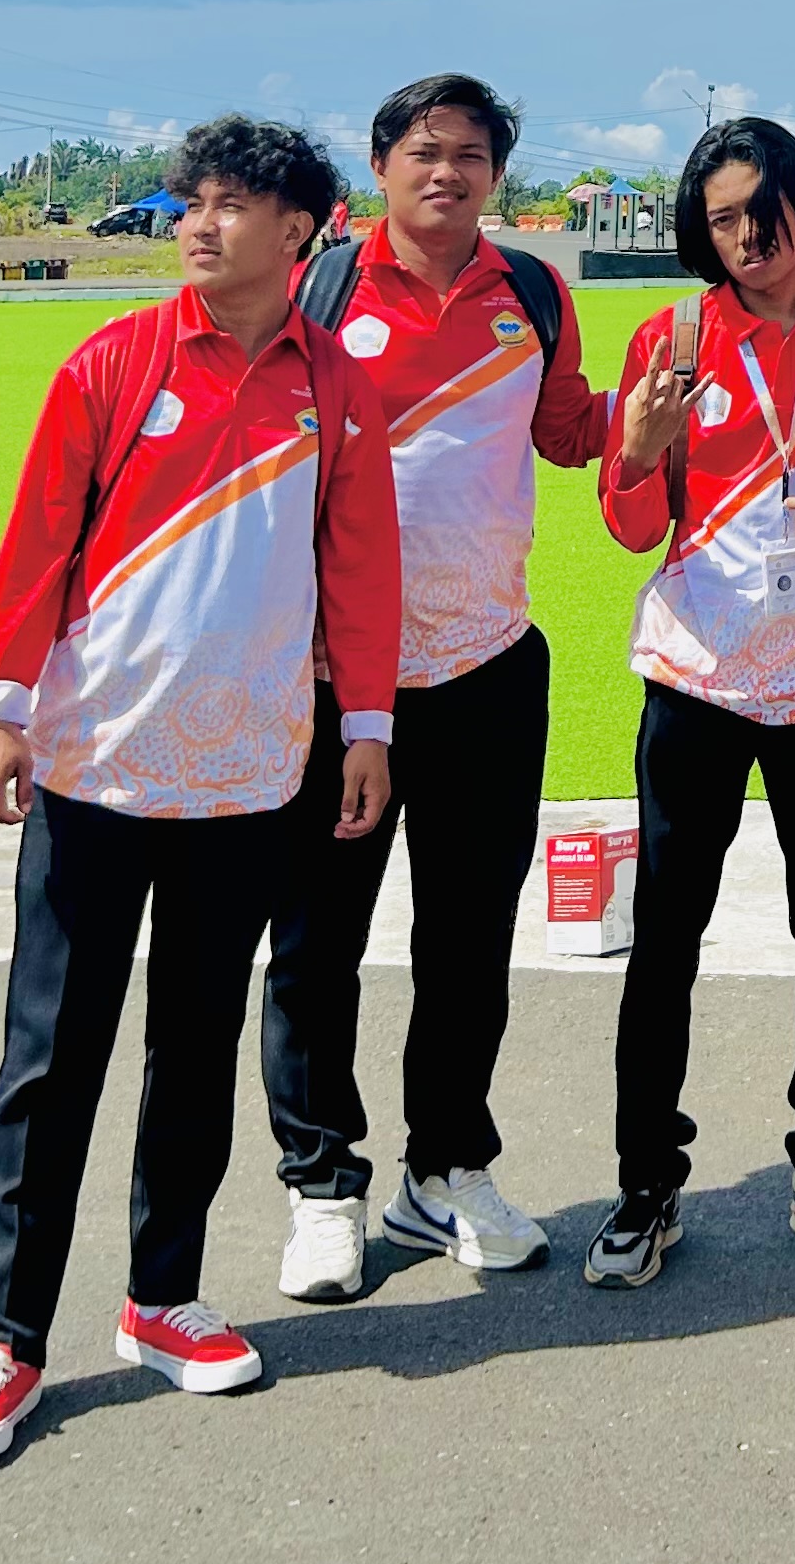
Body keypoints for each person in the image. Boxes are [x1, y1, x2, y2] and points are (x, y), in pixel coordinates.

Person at [0, 118, 400, 1472]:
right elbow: (36, 542)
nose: (199, 222)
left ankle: (163, 1299)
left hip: (248, 773)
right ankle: (5, 1343)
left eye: (233, 204)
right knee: (51, 1058)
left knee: (194, 1047)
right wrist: (1, 710)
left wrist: (365, 727)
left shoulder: (335, 386)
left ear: (300, 230)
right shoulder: (114, 363)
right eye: (194, 201)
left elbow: (361, 564)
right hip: (95, 766)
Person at [257, 73, 616, 1295]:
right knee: (318, 947)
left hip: (487, 668)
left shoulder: (532, 292)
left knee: (467, 944)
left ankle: (444, 1169)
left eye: (469, 154)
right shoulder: (319, 291)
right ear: (380, 167)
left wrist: (646, 417)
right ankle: (322, 1185)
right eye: (423, 151)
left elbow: (563, 431)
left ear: (496, 176)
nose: (447, 172)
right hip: (331, 681)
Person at [585, 118, 795, 1288]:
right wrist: (636, 454)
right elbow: (630, 528)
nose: (748, 239)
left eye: (765, 214)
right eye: (722, 221)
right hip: (699, 678)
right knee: (666, 940)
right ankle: (646, 1185)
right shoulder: (671, 340)